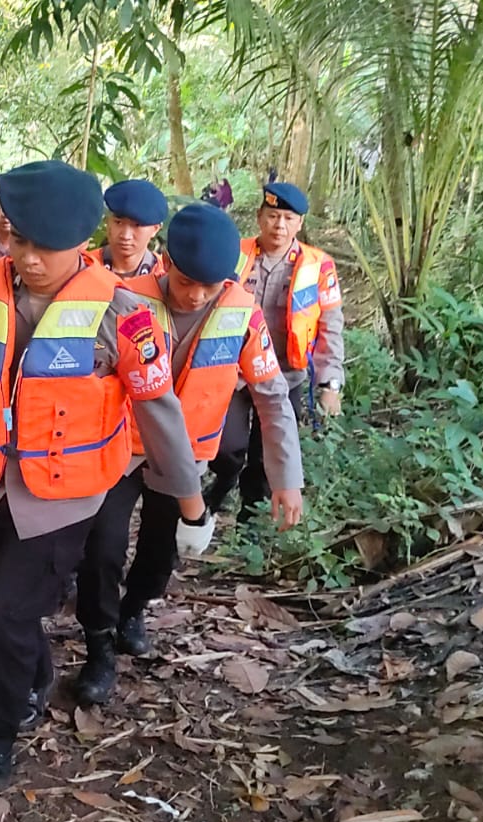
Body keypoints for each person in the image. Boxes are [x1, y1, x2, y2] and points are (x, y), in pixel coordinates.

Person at [0, 160, 211, 793]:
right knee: (3, 602)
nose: (29, 258)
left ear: (82, 241)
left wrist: (190, 504)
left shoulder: (124, 315)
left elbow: (160, 414)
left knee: (9, 618)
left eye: (45, 246)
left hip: (63, 499)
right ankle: (35, 678)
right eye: (19, 240)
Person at [71, 205, 306, 705]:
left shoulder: (240, 311)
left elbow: (270, 395)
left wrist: (287, 475)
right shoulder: (124, 302)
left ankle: (134, 610)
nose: (196, 294)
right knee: (102, 548)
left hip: (188, 457)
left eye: (210, 285)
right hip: (121, 448)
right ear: (165, 263)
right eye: (185, 280)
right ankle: (98, 646)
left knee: (161, 551)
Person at [205, 182, 344, 518]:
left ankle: (249, 526)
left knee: (268, 457)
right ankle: (223, 483)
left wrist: (330, 384)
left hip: (286, 376)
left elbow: (330, 327)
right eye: (272, 216)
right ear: (259, 217)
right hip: (234, 372)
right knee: (225, 448)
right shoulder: (232, 253)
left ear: (299, 224)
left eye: (288, 218)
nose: (279, 225)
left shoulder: (318, 266)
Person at [98, 179, 168, 278]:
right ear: (108, 222)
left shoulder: (164, 276)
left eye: (137, 225)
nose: (126, 236)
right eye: (118, 222)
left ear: (155, 229)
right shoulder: (84, 266)